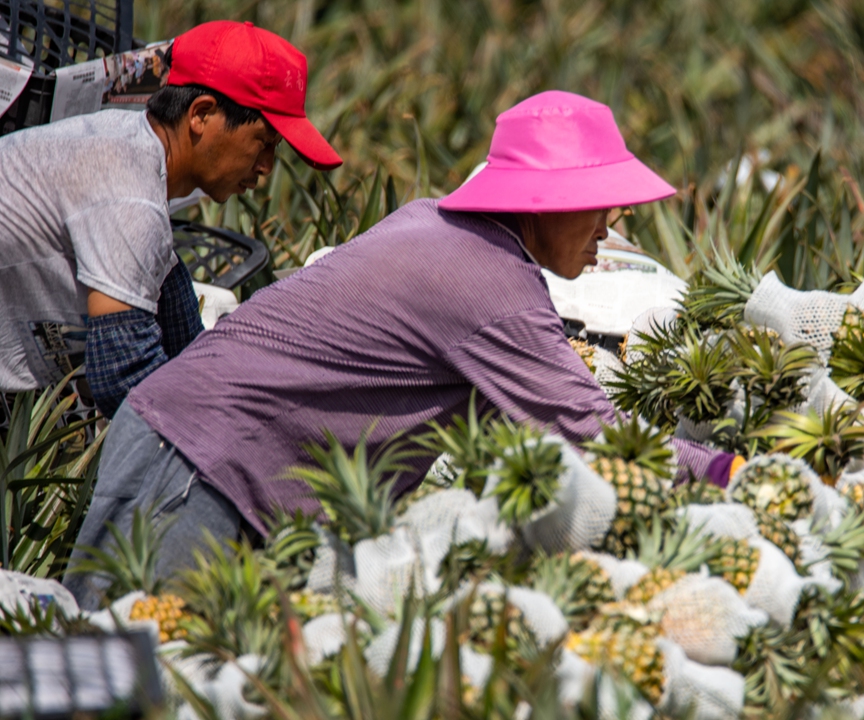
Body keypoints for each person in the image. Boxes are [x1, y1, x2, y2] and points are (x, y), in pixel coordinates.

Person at [65, 90, 742, 609]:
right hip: (195, 460)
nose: (614, 222)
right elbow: (591, 430)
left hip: (205, 453)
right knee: (119, 671)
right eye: (602, 201)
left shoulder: (438, 224)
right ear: (546, 200)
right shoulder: (489, 282)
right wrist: (728, 475)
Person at [0, 20, 342, 418]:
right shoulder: (129, 196)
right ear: (201, 115)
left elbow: (180, 338)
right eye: (263, 143)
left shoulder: (129, 144)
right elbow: (124, 377)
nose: (267, 166)